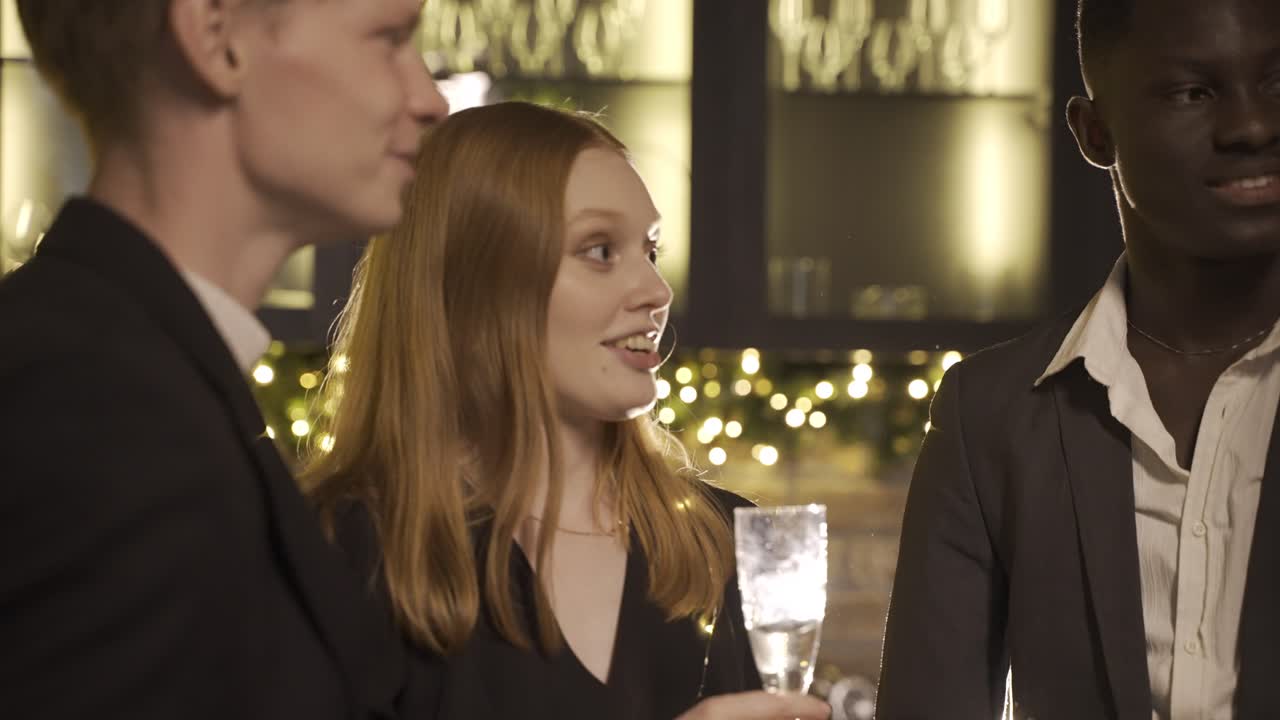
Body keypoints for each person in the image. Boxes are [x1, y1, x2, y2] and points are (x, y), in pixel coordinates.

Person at [302, 101, 830, 720]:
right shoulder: (338, 550)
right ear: (471, 283)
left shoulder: (726, 544)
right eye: (600, 251)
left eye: (650, 251)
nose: (656, 292)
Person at [0, 2, 447, 718]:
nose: (429, 99)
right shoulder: (101, 413)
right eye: (388, 39)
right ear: (216, 40)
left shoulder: (126, 373)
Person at [876, 0, 1280, 717]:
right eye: (1194, 92)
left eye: (1278, 84)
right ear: (1095, 132)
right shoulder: (989, 413)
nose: (1252, 126)